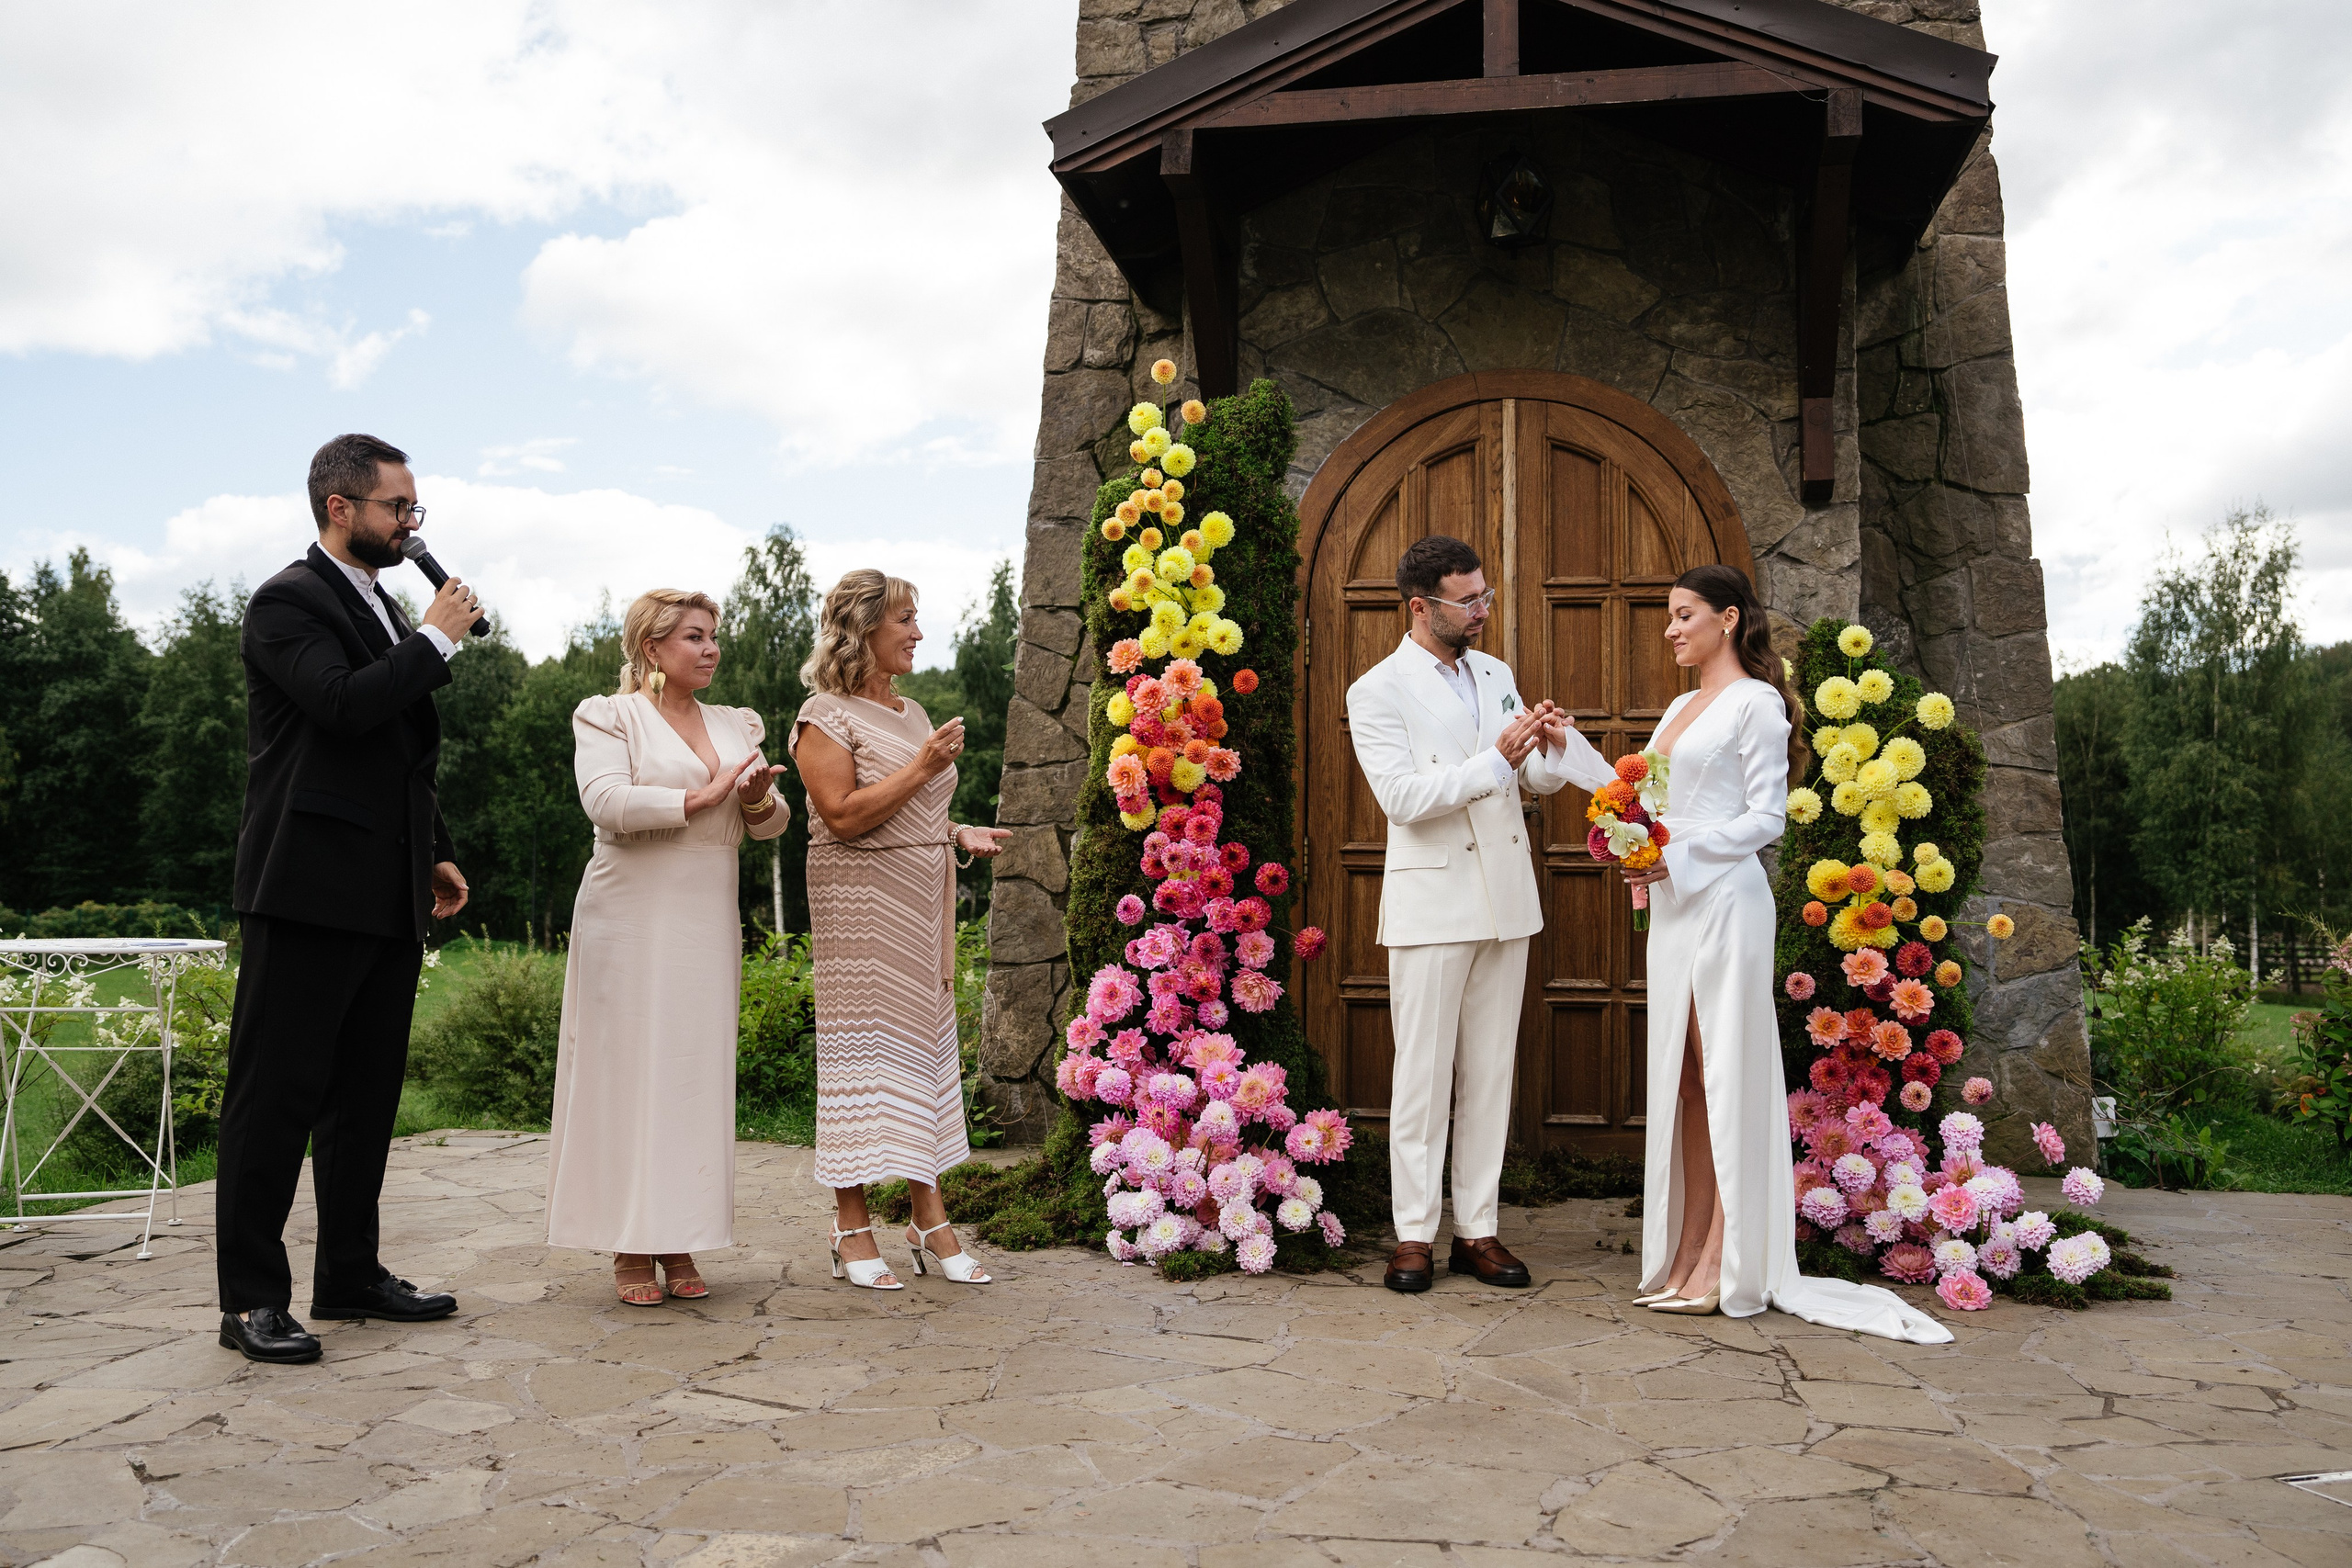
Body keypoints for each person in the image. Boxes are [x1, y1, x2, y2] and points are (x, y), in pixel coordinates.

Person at [1623, 564, 1950, 1342]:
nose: (1671, 628)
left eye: (1684, 614)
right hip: (1673, 907)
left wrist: (1680, 854)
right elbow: (1646, 797)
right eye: (1670, 615)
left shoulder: (1757, 703)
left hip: (1725, 901)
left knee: (1724, 1074)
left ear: (1729, 618)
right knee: (1686, 1079)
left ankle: (1724, 1259)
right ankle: (1685, 1251)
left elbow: (1766, 817)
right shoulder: (1677, 706)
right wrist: (1582, 774)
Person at [216, 434, 481, 1364]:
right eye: (396, 507)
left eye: (414, 509)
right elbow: (339, 705)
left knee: (364, 1097)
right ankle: (251, 1300)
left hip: (386, 885)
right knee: (274, 1097)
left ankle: (349, 1275)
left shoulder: (379, 605)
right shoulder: (288, 601)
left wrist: (435, 852)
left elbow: (396, 749)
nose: (411, 524)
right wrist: (436, 637)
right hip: (306, 886)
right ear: (340, 508)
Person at [1345, 534, 1615, 1293]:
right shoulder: (1376, 689)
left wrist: (1546, 747)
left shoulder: (1495, 672)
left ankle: (1478, 1230)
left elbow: (1529, 780)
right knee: (1422, 1076)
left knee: (1491, 1073)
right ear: (1421, 606)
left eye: (1485, 595)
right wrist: (1497, 757)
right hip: (1432, 903)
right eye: (1468, 601)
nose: (1483, 610)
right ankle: (1412, 1235)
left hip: (1505, 896)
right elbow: (1402, 798)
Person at [543, 590, 788, 1304]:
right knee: (628, 1071)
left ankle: (677, 1235)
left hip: (706, 912)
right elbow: (604, 801)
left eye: (713, 636)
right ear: (652, 647)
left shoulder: (737, 722)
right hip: (629, 910)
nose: (711, 648)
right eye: (694, 636)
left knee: (689, 1073)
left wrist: (754, 800)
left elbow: (770, 823)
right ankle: (629, 1243)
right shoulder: (608, 716)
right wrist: (701, 797)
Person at [790, 570, 1009, 1289]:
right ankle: (850, 1222)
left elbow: (910, 810)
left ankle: (927, 1215)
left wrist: (957, 829)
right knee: (858, 1060)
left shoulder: (913, 712)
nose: (917, 632)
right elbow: (843, 815)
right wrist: (923, 767)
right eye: (904, 619)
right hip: (858, 906)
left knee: (923, 1056)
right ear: (863, 630)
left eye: (916, 618)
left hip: (920, 906)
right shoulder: (823, 715)